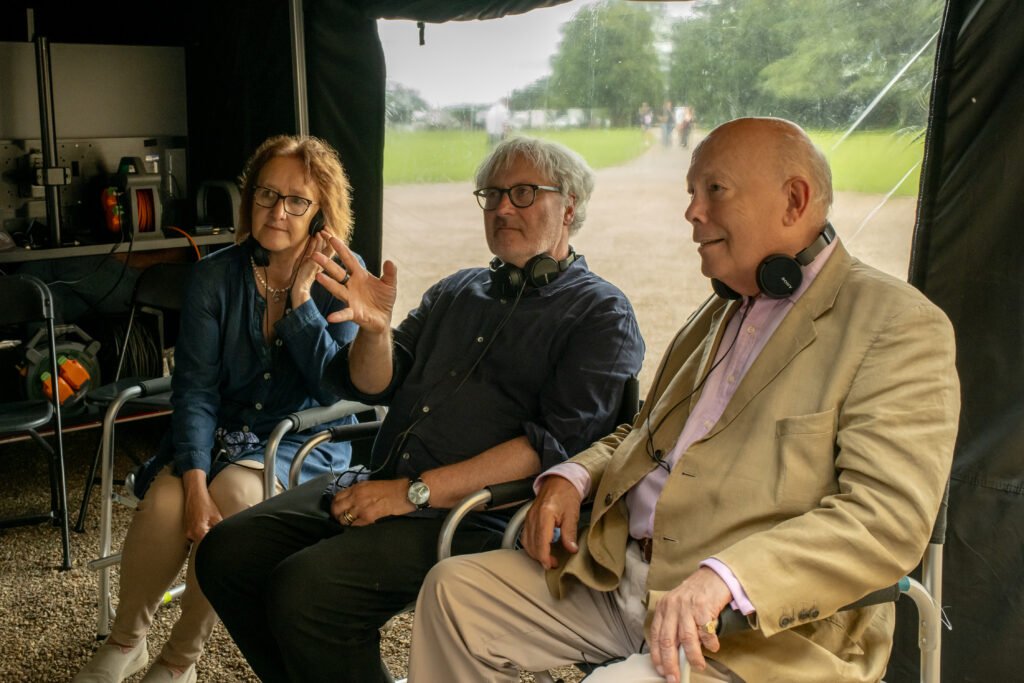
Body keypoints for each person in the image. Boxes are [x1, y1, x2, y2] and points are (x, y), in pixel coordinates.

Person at [408, 117, 961, 683]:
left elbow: (885, 520)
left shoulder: (897, 325)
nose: (692, 212)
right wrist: (573, 475)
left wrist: (728, 577)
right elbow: (642, 434)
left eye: (714, 190)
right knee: (453, 596)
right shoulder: (720, 310)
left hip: (752, 632)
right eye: (692, 193)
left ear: (794, 200)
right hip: (620, 580)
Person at [194, 136, 646, 682]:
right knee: (225, 554)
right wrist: (375, 331)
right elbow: (374, 384)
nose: (503, 208)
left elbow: (551, 449)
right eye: (493, 194)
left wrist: (410, 493)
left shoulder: (601, 313)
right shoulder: (458, 290)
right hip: (382, 480)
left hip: (479, 516)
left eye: (523, 193)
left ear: (569, 207)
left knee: (305, 593)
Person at [71, 135, 362, 683]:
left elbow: (332, 390)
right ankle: (127, 640)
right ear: (250, 199)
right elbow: (196, 391)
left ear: (321, 212)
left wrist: (302, 301)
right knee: (166, 505)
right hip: (220, 433)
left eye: (296, 201)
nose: (277, 211)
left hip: (299, 441)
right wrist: (194, 482)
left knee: (232, 500)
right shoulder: (215, 275)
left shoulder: (343, 275)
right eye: (266, 194)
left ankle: (180, 659)